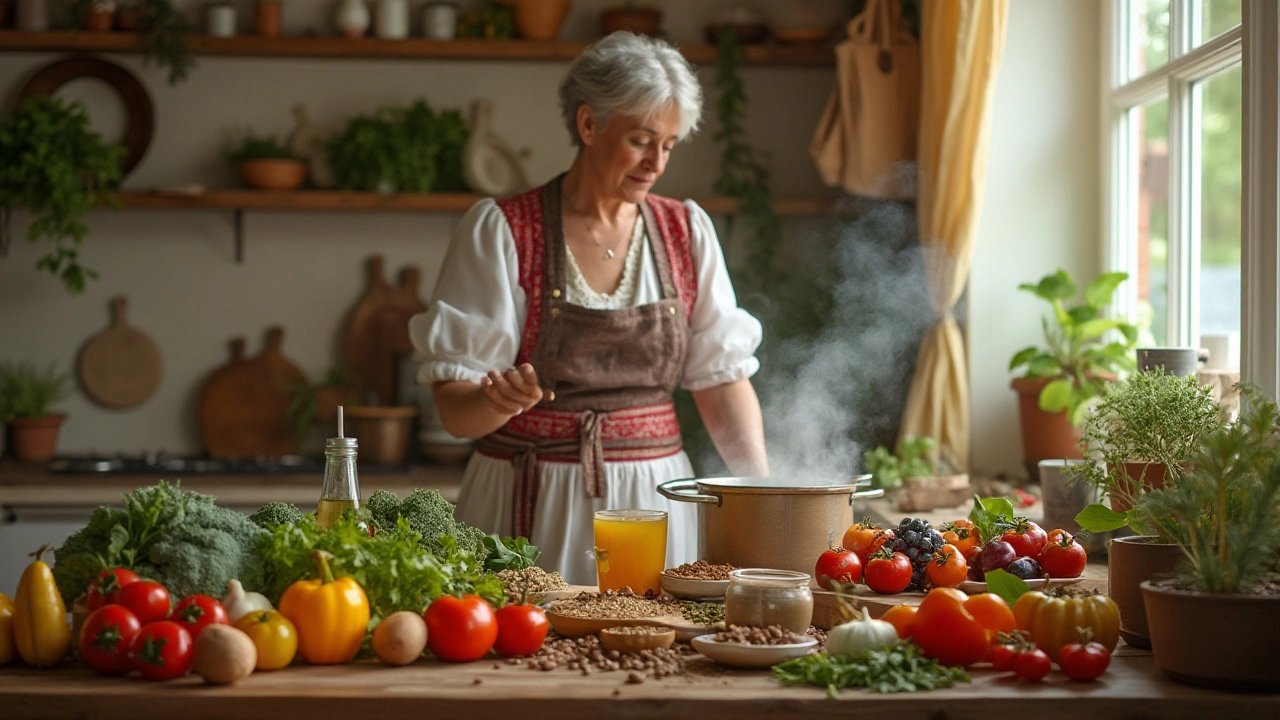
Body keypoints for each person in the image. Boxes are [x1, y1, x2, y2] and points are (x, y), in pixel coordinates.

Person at [409, 31, 768, 585]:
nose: (657, 163)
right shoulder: (504, 230)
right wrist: (495, 401)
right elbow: (457, 414)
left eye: (669, 145)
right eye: (642, 140)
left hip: (658, 503)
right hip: (524, 503)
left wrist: (761, 496)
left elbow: (721, 383)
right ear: (588, 125)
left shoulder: (685, 231)